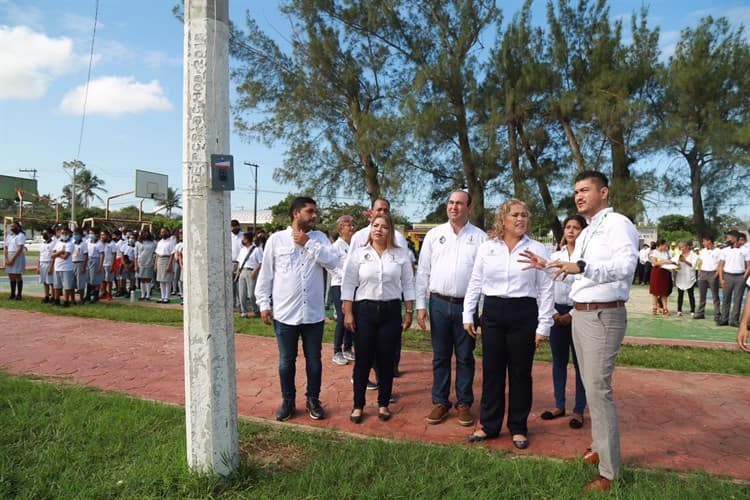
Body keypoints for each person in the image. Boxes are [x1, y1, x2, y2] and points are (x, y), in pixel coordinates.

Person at [524, 170, 639, 492]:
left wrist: (583, 266)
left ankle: (610, 472)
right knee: (591, 386)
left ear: (604, 192)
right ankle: (599, 446)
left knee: (599, 390)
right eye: (576, 191)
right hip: (583, 315)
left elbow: (626, 267)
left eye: (585, 190)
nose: (578, 196)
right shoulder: (588, 232)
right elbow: (580, 276)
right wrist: (548, 266)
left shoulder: (618, 224)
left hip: (605, 314)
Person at [463, 199, 554, 450]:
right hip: (492, 312)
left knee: (520, 373)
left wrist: (543, 325)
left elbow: (546, 288)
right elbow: (475, 282)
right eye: (515, 215)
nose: (520, 219)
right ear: (503, 218)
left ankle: (518, 427)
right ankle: (489, 425)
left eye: (524, 215)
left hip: (523, 313)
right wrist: (468, 315)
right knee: (492, 372)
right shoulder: (487, 247)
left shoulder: (536, 248)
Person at [255, 197, 339, 422]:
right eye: (310, 211)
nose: (314, 216)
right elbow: (267, 274)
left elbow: (335, 264)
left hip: (313, 314)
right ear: (296, 213)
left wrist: (307, 244)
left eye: (315, 212)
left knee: (314, 360)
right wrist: (264, 303)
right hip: (284, 314)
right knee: (286, 361)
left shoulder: (320, 238)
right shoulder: (276, 240)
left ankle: (313, 400)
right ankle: (288, 401)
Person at [415, 190, 487, 427]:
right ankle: (441, 401)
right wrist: (420, 306)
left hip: (467, 307)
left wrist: (482, 309)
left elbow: (485, 276)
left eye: (459, 203)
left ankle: (464, 403)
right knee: (440, 356)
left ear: (469, 207)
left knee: (466, 357)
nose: (454, 207)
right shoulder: (435, 235)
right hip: (437, 303)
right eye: (451, 203)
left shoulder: (480, 237)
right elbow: (423, 271)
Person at [342, 214, 415, 423]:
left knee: (386, 360)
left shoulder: (400, 255)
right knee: (363, 360)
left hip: (390, 311)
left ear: (390, 231)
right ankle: (358, 405)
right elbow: (348, 284)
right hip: (364, 310)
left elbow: (408, 284)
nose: (379, 230)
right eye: (375, 226)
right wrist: (348, 312)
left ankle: (383, 404)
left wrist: (409, 311)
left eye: (384, 227)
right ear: (370, 228)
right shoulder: (359, 254)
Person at [349, 198, 408, 384]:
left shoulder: (398, 238)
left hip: (390, 301)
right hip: (365, 300)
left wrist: (409, 307)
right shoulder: (359, 237)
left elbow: (405, 273)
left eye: (385, 210)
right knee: (365, 349)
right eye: (378, 209)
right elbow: (349, 273)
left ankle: (385, 385)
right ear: (371, 212)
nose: (382, 212)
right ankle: (363, 382)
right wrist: (348, 307)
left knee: (388, 351)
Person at [539, 214, 588, 430]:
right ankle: (559, 404)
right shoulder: (555, 256)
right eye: (568, 227)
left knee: (580, 364)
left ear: (583, 231)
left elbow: (589, 289)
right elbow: (546, 286)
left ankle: (579, 409)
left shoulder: (586, 258)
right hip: (556, 313)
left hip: (579, 311)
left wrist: (572, 315)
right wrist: (551, 313)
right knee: (559, 361)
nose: (571, 231)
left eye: (576, 227)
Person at [330, 215, 356, 365]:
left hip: (353, 286)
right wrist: (345, 276)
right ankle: (337, 351)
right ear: (340, 229)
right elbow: (332, 266)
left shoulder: (354, 245)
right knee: (342, 317)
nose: (352, 228)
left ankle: (347, 347)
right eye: (348, 226)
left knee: (351, 316)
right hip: (339, 285)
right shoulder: (335, 247)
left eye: (353, 225)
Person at [717, 230, 749, 327]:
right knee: (726, 298)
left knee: (737, 299)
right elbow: (721, 265)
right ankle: (724, 319)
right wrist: (721, 279)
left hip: (740, 276)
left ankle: (734, 320)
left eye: (729, 237)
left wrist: (743, 277)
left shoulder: (745, 250)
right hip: (727, 276)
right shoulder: (724, 250)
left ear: (735, 238)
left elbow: (749, 266)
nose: (727, 239)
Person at [235, 231, 263, 318]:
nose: (242, 240)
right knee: (242, 293)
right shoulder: (242, 250)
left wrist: (255, 271)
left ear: (248, 240)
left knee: (251, 294)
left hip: (251, 271)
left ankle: (256, 309)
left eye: (244, 238)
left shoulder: (257, 249)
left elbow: (260, 263)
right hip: (242, 271)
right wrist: (237, 272)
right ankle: (244, 311)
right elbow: (240, 262)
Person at [695, 236, 721, 321]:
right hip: (703, 273)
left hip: (713, 273)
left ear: (709, 241)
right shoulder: (703, 251)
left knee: (715, 295)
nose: (703, 243)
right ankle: (700, 313)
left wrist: (716, 274)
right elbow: (700, 261)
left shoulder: (718, 251)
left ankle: (717, 314)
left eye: (704, 241)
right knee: (702, 295)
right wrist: (699, 271)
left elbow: (720, 264)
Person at [50, 226, 76, 307]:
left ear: (69, 234)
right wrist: (60, 252)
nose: (64, 234)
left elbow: (65, 257)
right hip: (57, 267)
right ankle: (56, 300)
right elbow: (52, 255)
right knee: (57, 285)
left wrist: (57, 254)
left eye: (65, 233)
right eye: (62, 233)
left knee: (67, 286)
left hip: (67, 268)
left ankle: (66, 301)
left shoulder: (70, 244)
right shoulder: (58, 242)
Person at [673, 241, 697, 317]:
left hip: (689, 276)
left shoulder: (693, 255)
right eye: (680, 247)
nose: (681, 249)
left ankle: (692, 311)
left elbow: (693, 265)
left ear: (687, 247)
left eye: (682, 247)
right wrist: (675, 265)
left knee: (691, 294)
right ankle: (679, 310)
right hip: (681, 276)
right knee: (680, 294)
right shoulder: (678, 254)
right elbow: (674, 262)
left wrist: (685, 261)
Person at [649, 240, 673, 316]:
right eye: (665, 245)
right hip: (657, 272)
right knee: (655, 292)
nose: (666, 247)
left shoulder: (666, 253)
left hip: (665, 272)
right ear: (660, 245)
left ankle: (665, 308)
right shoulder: (654, 252)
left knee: (664, 292)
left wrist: (670, 262)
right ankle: (654, 308)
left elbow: (669, 261)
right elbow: (655, 263)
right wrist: (665, 261)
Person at [3, 220, 26, 300]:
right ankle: (12, 294)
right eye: (11, 226)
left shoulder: (21, 235)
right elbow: (5, 248)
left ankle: (19, 295)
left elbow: (20, 248)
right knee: (11, 275)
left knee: (17, 275)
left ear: (18, 227)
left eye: (14, 226)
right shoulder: (9, 236)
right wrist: (6, 258)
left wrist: (12, 259)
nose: (12, 228)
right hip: (9, 255)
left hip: (17, 256)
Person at [154, 228, 175, 304]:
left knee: (167, 280)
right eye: (161, 232)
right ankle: (162, 296)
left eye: (164, 232)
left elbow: (172, 254)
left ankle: (167, 297)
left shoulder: (171, 242)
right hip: (160, 260)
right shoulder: (159, 242)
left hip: (167, 259)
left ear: (168, 232)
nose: (163, 233)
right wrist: (155, 264)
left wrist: (169, 265)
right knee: (161, 280)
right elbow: (157, 254)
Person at [135, 229, 156, 301]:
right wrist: (136, 265)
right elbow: (136, 255)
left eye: (146, 233)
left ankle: (148, 295)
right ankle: (142, 295)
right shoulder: (138, 243)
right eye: (143, 233)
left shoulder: (153, 242)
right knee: (142, 279)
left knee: (148, 279)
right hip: (140, 263)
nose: (145, 234)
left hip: (149, 262)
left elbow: (155, 253)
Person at [85, 228, 104, 303]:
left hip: (95, 260)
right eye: (90, 233)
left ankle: (96, 296)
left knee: (95, 279)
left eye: (92, 233)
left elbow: (102, 255)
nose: (91, 235)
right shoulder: (88, 241)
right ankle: (88, 295)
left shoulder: (99, 243)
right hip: (88, 260)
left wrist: (100, 266)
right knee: (88, 278)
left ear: (96, 234)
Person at [38, 227, 56, 303]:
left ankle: (53, 297)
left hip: (49, 263)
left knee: (51, 282)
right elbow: (40, 255)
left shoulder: (54, 243)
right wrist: (38, 266)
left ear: (51, 234)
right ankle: (46, 296)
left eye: (46, 233)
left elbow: (54, 255)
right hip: (42, 263)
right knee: (45, 281)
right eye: (43, 233)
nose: (44, 235)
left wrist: (51, 267)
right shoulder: (42, 244)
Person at [71, 228, 89, 303]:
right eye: (74, 234)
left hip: (80, 263)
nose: (75, 236)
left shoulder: (84, 244)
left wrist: (84, 266)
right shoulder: (72, 243)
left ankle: (81, 299)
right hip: (71, 263)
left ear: (81, 235)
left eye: (77, 234)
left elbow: (85, 255)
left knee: (80, 283)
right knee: (71, 282)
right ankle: (72, 300)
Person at [230, 219, 243, 308]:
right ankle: (232, 302)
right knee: (231, 284)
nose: (233, 228)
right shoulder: (228, 236)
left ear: (238, 226)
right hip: (230, 262)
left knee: (239, 284)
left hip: (240, 263)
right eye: (231, 227)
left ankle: (239, 303)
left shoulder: (243, 236)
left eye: (235, 226)